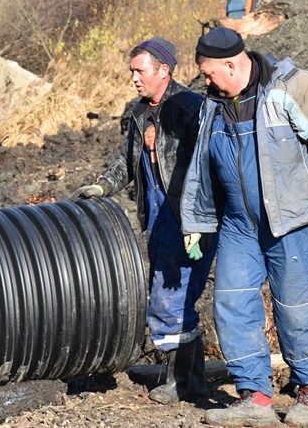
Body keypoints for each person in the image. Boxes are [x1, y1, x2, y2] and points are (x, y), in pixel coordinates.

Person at [180, 27, 308, 427]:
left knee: (296, 311)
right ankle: (255, 397)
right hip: (239, 226)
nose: (204, 82)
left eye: (209, 73)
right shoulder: (212, 104)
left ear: (232, 63)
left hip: (291, 221)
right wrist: (196, 219)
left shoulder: (291, 86)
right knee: (231, 306)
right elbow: (200, 166)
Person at [70, 36, 215, 405]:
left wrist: (195, 221)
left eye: (140, 71)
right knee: (168, 296)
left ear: (163, 71)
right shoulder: (139, 111)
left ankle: (185, 381)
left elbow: (205, 167)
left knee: (171, 297)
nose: (134, 78)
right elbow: (127, 161)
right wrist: (103, 186)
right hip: (156, 214)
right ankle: (184, 379)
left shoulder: (190, 107)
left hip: (184, 216)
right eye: (131, 71)